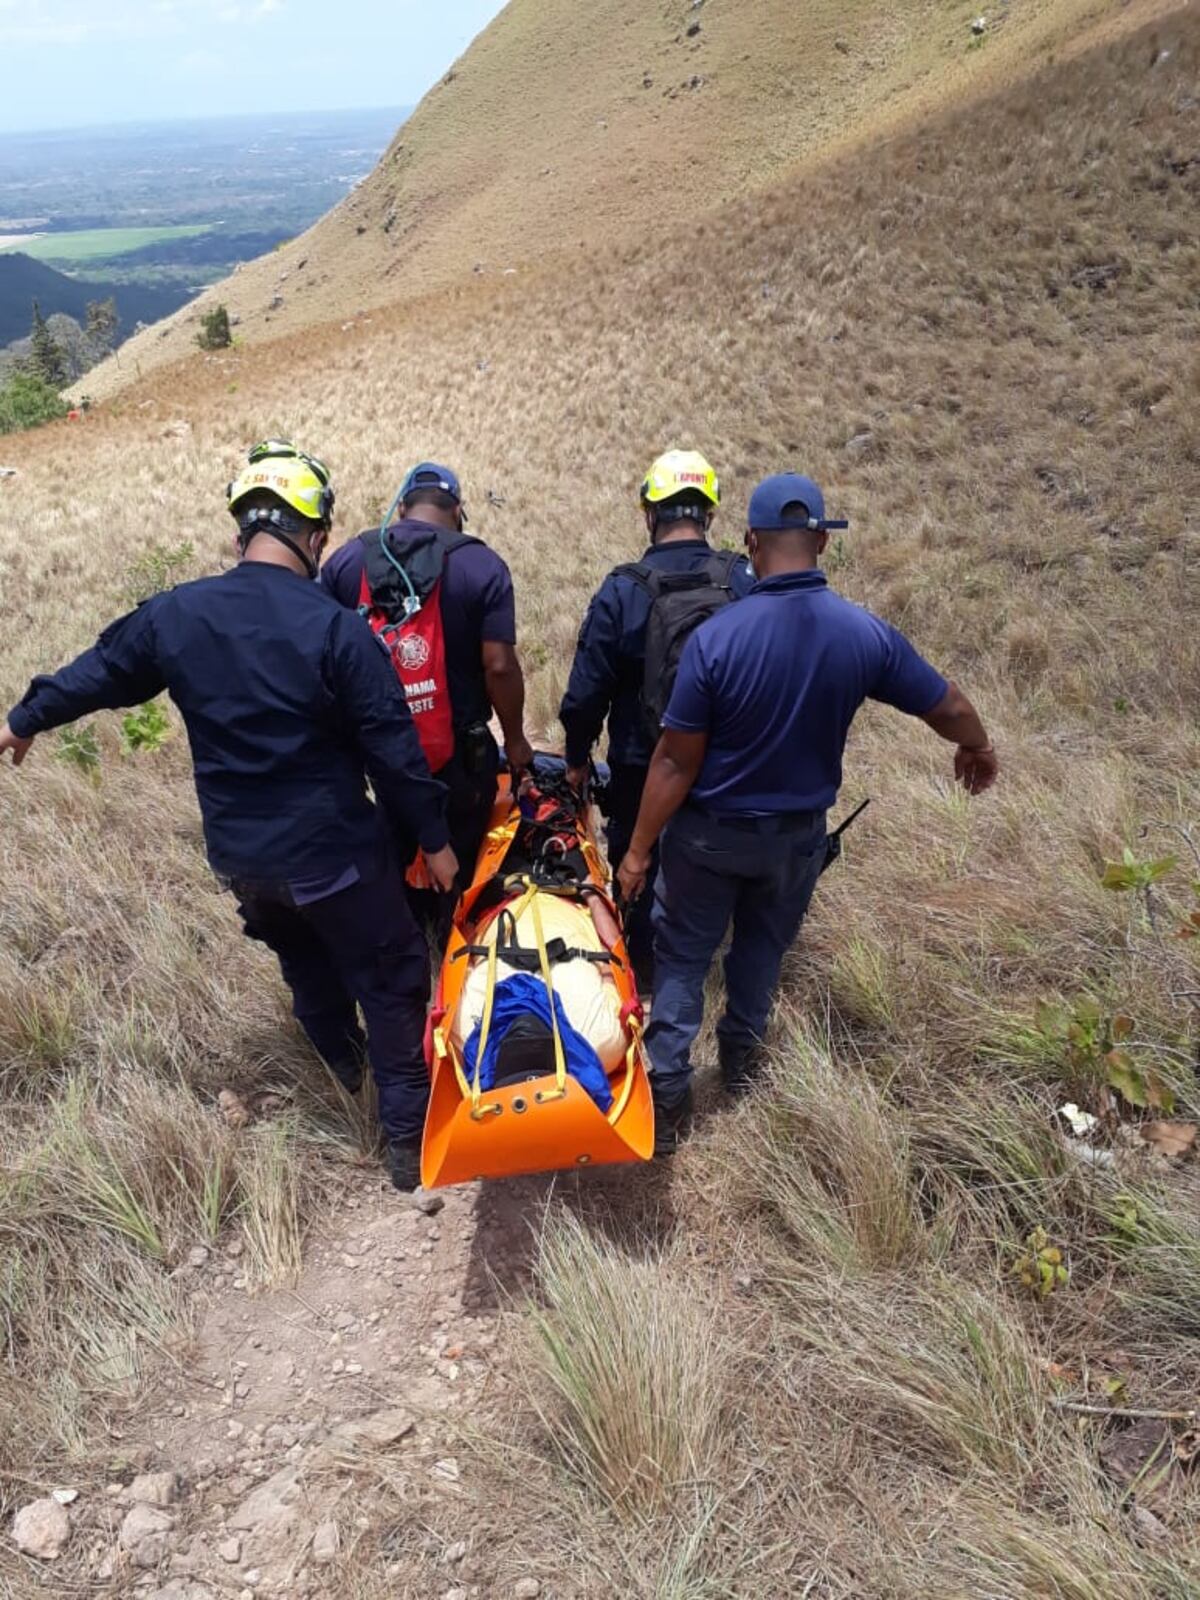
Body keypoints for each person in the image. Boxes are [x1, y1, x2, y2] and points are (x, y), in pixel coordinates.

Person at [0, 441, 456, 1192]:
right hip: (334, 854)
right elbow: (393, 756)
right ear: (315, 538)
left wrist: (26, 718)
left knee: (305, 962)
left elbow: (101, 672)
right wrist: (435, 843)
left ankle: (343, 1069)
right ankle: (407, 1147)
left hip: (243, 860)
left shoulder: (177, 614)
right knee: (393, 975)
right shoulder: (338, 629)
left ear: (243, 531)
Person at [616, 472, 998, 1151]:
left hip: (707, 840)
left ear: (752, 544)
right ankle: (741, 1064)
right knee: (762, 951)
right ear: (822, 541)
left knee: (680, 961)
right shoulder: (864, 635)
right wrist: (977, 747)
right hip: (795, 842)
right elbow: (947, 703)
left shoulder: (717, 640)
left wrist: (640, 850)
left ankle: (669, 1095)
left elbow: (675, 763)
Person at [559, 449, 753, 990]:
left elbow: (585, 694)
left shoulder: (623, 589)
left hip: (641, 768)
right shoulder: (741, 580)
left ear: (650, 513)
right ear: (708, 514)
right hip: (726, 765)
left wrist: (577, 759)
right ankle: (706, 966)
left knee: (636, 868)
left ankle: (643, 979)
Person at [321, 462, 532, 932]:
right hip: (460, 754)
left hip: (377, 754)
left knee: (391, 843)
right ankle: (453, 937)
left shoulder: (345, 562)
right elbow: (499, 666)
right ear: (457, 510)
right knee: (460, 846)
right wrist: (515, 740)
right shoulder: (482, 565)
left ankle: (403, 931)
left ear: (402, 508)